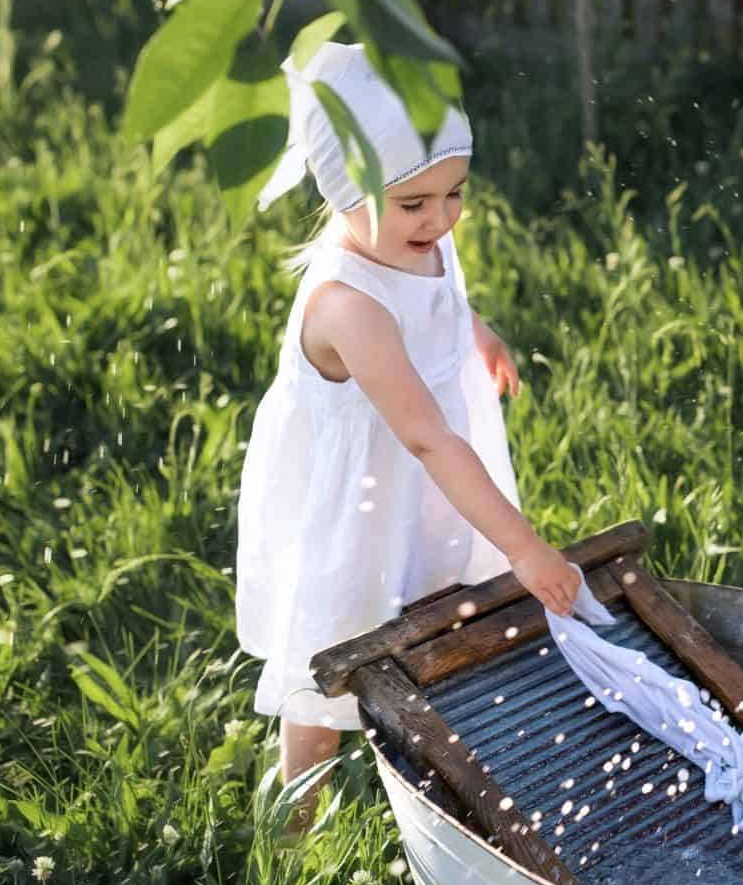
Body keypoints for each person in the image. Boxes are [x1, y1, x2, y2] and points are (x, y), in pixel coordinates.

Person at [234, 41, 579, 835]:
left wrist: (474, 333)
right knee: (331, 666)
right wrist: (526, 549)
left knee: (432, 613)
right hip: (359, 502)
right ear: (345, 190)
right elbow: (426, 439)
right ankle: (291, 831)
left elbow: (440, 296)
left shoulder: (419, 240)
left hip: (423, 490)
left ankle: (435, 784)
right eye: (416, 203)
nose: (441, 218)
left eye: (454, 193)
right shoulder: (347, 307)